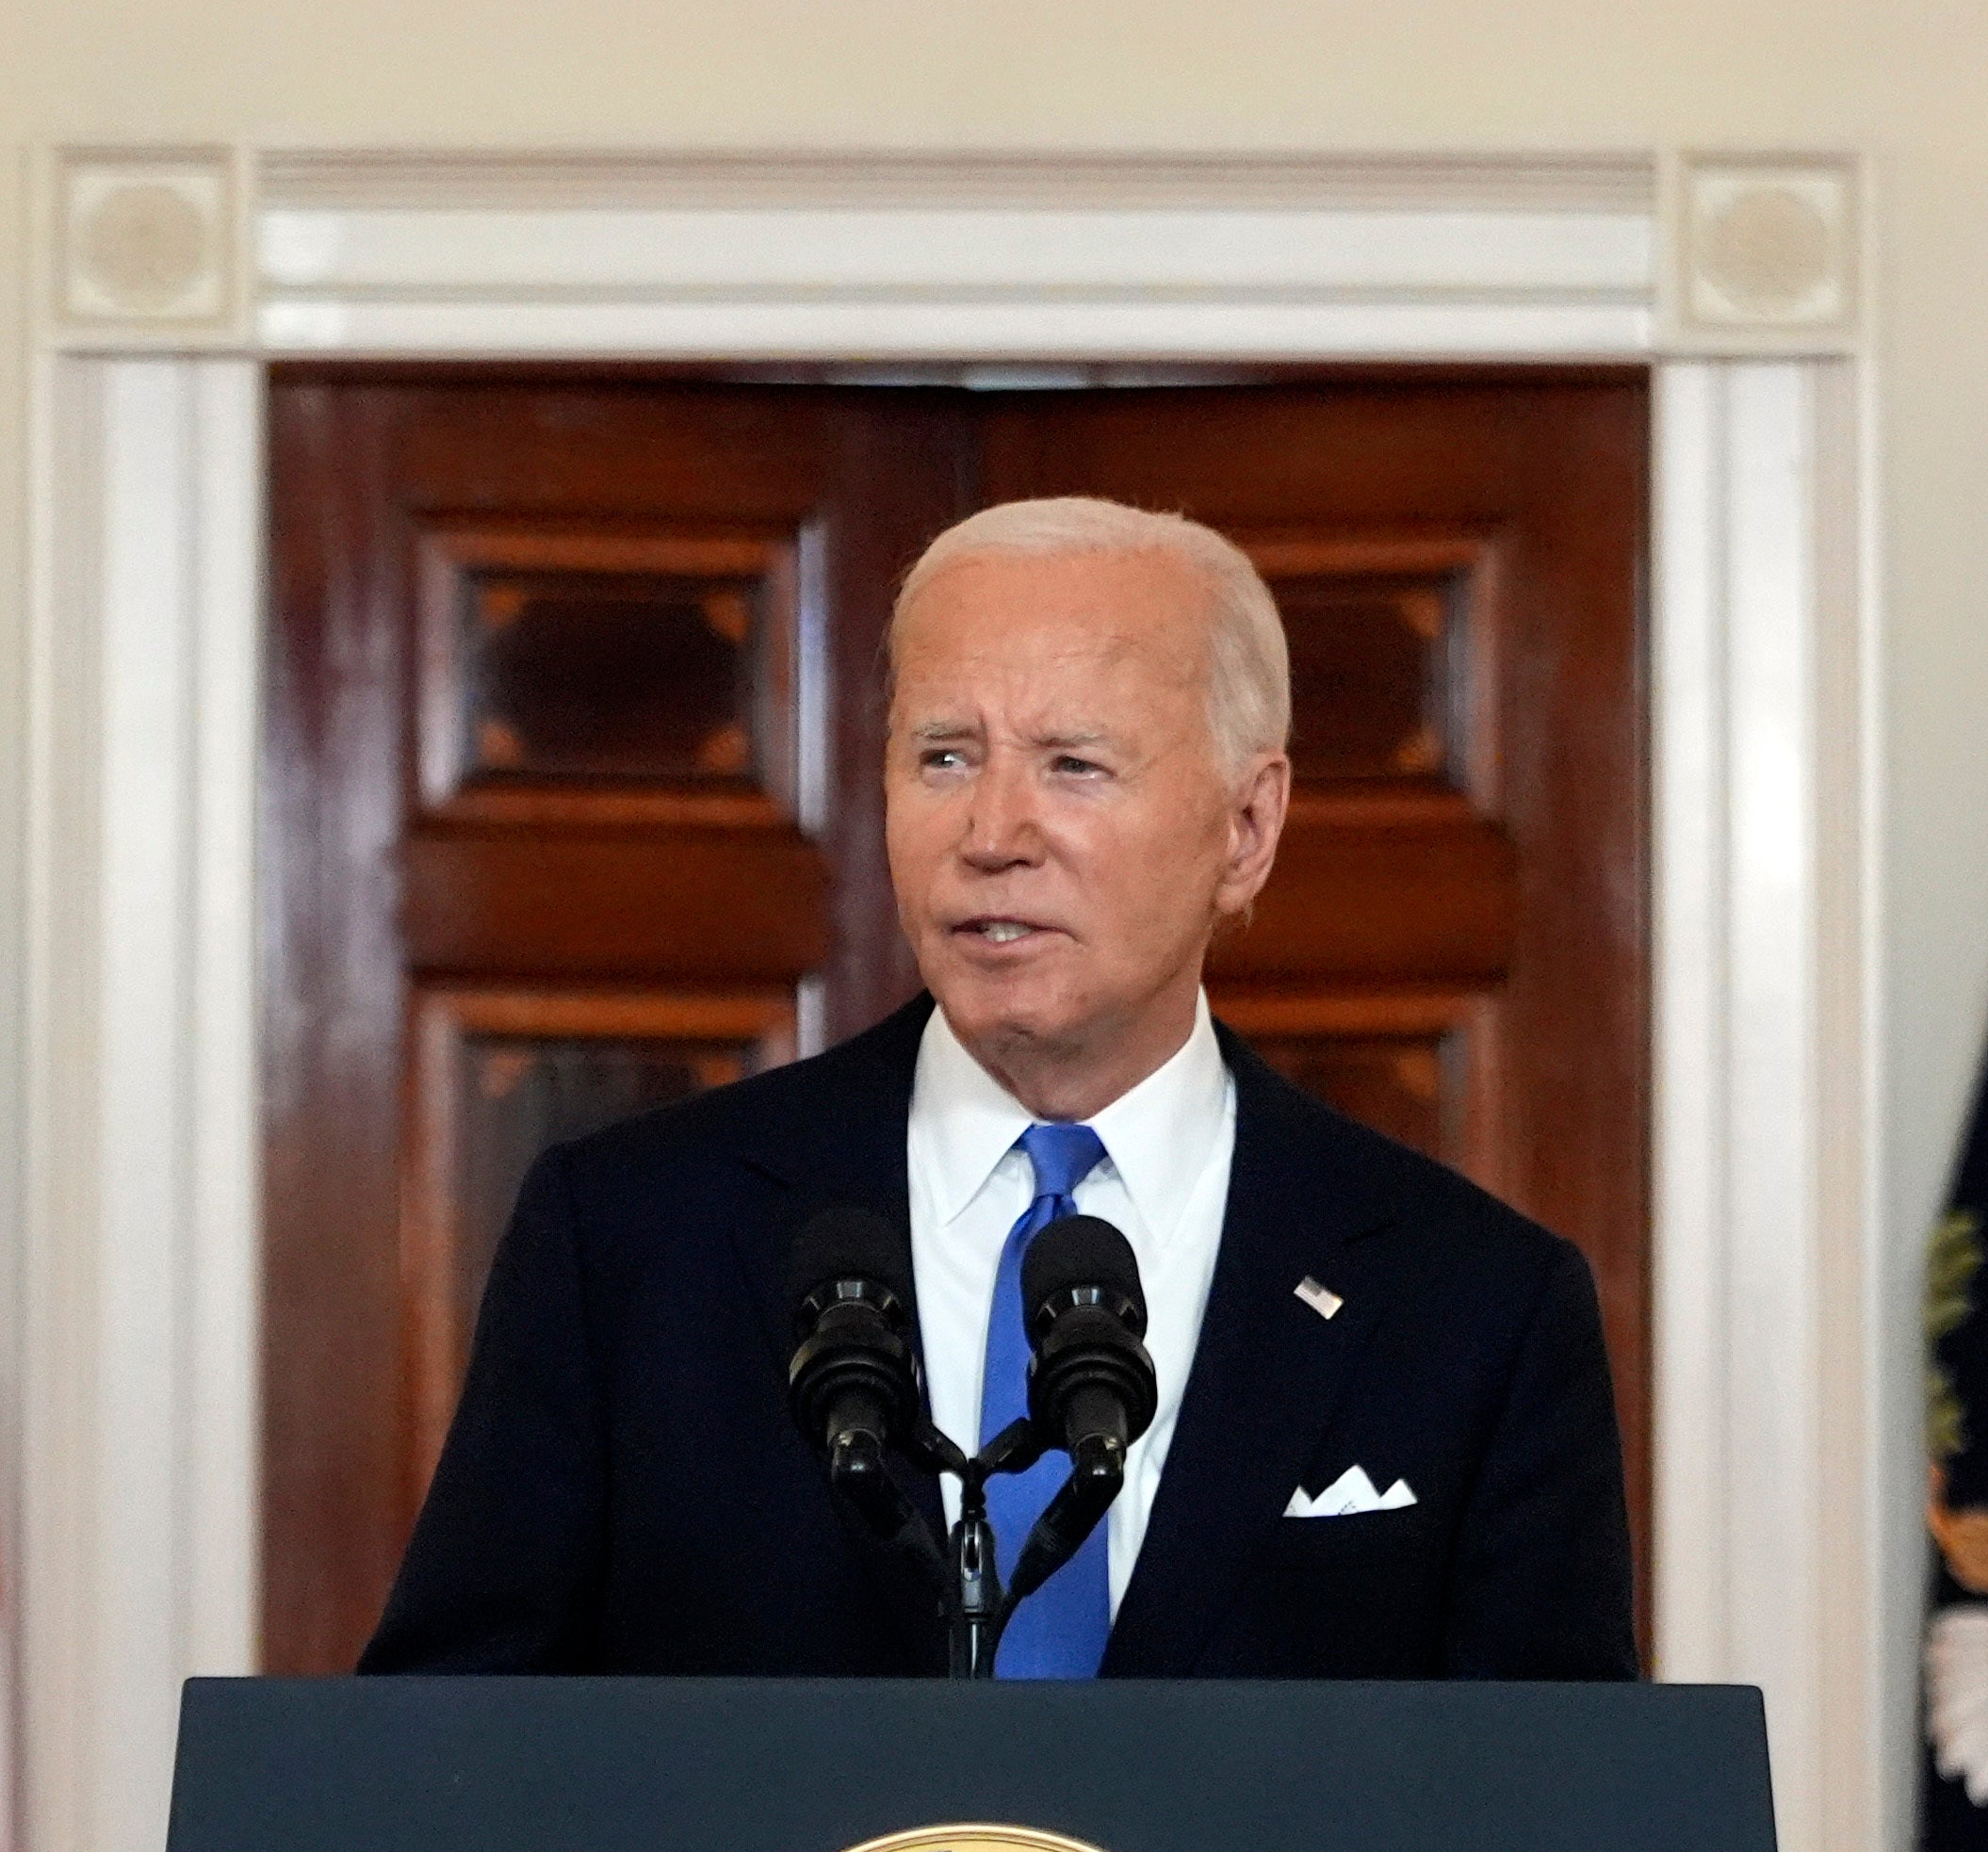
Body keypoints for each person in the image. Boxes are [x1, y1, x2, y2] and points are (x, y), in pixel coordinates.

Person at [360, 495, 1636, 1680]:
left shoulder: (1474, 1309)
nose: (991, 833)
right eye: (944, 757)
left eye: (1074, 764)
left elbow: (1553, 1847)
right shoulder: (632, 1243)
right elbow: (447, 1775)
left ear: (1247, 830)